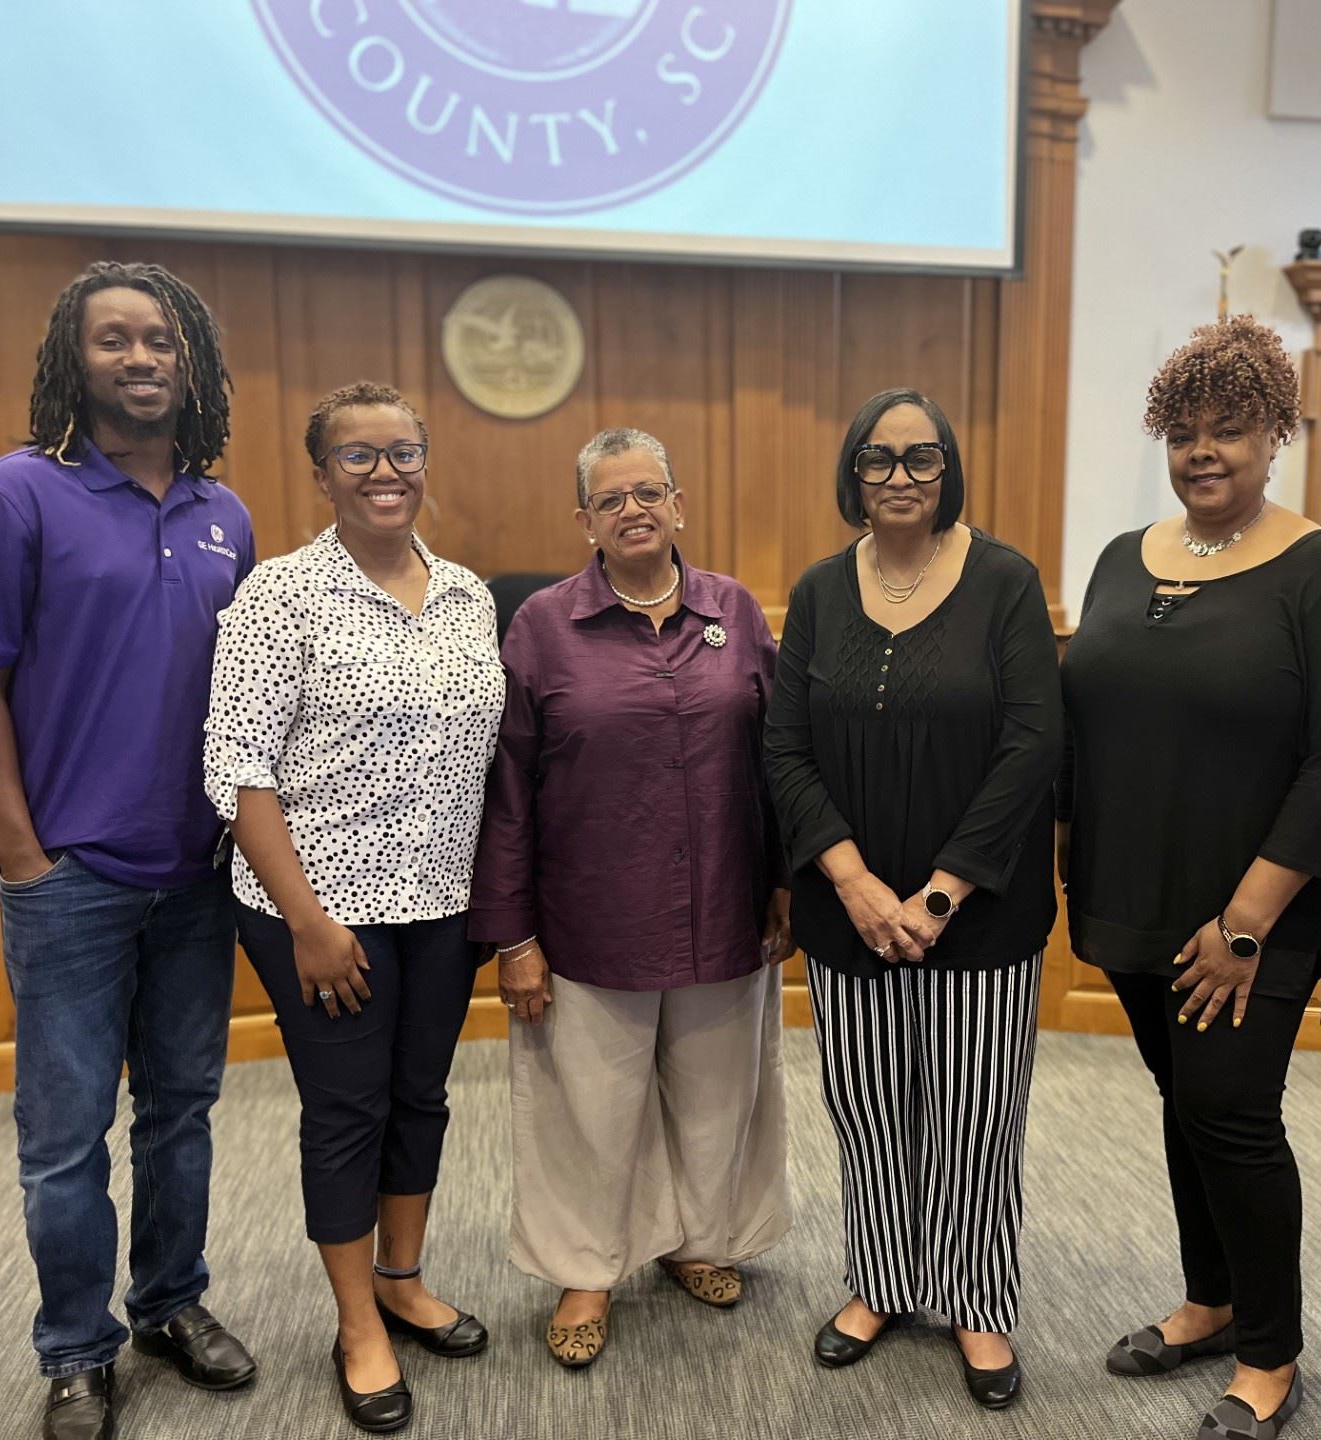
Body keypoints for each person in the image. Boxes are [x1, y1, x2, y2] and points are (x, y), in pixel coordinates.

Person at [0, 261, 258, 1440]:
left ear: (191, 363)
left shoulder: (227, 514)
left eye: (159, 341)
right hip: (68, 880)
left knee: (184, 1109)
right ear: (76, 361)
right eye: (114, 340)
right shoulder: (11, 495)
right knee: (63, 1137)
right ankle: (76, 1351)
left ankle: (173, 1301)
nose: (140, 359)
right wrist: (22, 855)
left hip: (197, 873)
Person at [1058, 316, 1321, 1439]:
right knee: (1182, 1104)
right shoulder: (1119, 557)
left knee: (1232, 1113)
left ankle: (1270, 1356)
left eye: (1233, 431)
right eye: (1185, 432)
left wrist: (1246, 921)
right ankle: (1208, 1301)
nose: (1206, 452)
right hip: (1135, 888)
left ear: (1276, 435)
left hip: (1258, 910)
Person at [204, 381, 505, 1434]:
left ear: (426, 461)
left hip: (441, 901)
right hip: (319, 907)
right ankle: (356, 1325)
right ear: (321, 472)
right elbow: (236, 769)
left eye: (404, 451)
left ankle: (402, 1277)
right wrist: (309, 922)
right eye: (359, 455)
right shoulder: (279, 596)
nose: (386, 472)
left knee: (421, 1095)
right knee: (347, 1109)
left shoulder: (469, 594)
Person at [468, 427, 793, 1370]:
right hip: (590, 917)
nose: (634, 511)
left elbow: (779, 762)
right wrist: (513, 936)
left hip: (728, 903)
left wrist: (783, 882)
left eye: (649, 492)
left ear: (679, 503)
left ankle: (700, 1238)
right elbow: (509, 791)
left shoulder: (734, 609)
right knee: (590, 1107)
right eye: (611, 500)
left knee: (717, 1093)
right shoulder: (540, 626)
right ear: (585, 521)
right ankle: (587, 1269)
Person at [764, 387, 1062, 1410]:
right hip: (846, 918)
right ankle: (884, 1281)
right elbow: (785, 746)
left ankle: (977, 1298)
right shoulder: (816, 591)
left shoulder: (1006, 583)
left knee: (974, 1116)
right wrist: (849, 880)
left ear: (950, 470)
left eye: (921, 460)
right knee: (868, 1107)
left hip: (976, 919)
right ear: (853, 473)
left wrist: (935, 896)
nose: (900, 479)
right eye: (881, 461)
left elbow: (1032, 747)